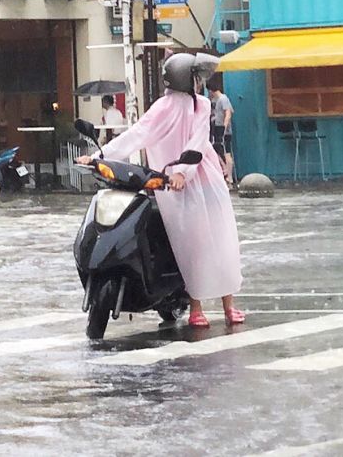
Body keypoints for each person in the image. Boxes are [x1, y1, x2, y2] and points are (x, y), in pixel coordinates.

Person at [77, 52, 244, 328]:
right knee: (190, 244)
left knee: (219, 238)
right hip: (171, 182)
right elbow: (137, 134)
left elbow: (198, 141)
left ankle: (229, 304)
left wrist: (182, 171)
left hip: (202, 177)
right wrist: (98, 157)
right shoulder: (163, 107)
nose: (199, 82)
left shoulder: (201, 105)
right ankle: (196, 307)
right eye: (195, 77)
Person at [208, 82, 235, 186]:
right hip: (217, 127)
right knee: (216, 150)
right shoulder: (216, 100)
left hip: (222, 128)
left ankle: (229, 177)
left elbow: (228, 113)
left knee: (226, 152)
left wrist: (224, 127)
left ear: (211, 90)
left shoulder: (223, 99)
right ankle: (225, 171)